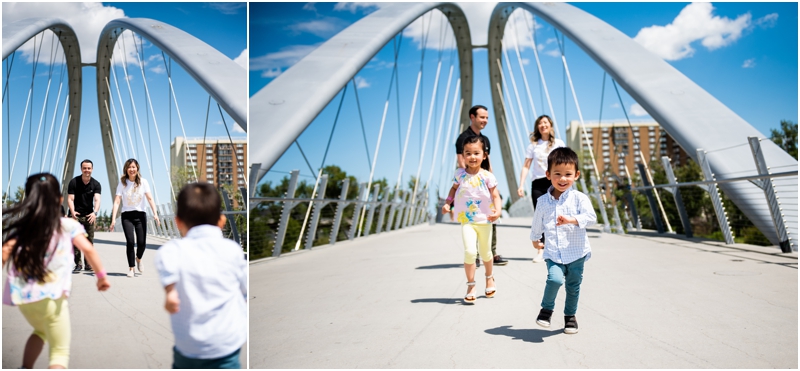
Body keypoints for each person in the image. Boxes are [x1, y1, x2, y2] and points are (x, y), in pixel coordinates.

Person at [2, 173, 111, 369]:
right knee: (59, 352)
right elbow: (88, 249)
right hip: (51, 300)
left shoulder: (23, 229)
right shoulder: (67, 225)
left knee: (40, 331)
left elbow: (5, 252)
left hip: (25, 301)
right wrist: (101, 277)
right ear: (60, 200)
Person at [155, 183, 247, 368]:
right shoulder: (233, 251)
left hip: (189, 347)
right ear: (221, 221)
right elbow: (244, 290)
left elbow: (165, 260)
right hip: (226, 345)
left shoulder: (173, 250)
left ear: (178, 222)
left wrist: (170, 290)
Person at [529, 147, 597, 334]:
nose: (562, 179)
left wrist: (572, 220)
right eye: (557, 174)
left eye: (568, 174)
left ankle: (570, 317)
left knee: (573, 287)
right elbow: (537, 223)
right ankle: (546, 310)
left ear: (576, 175)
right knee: (555, 279)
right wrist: (535, 239)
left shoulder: (579, 198)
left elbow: (591, 217)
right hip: (553, 252)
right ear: (548, 175)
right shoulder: (543, 201)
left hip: (576, 252)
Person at [442, 136, 502, 304]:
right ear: (463, 156)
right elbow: (453, 191)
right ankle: (471, 285)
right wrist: (448, 203)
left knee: (485, 253)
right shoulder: (459, 175)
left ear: (484, 155)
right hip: (466, 220)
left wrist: (498, 211)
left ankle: (489, 277)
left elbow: (496, 196)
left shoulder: (487, 176)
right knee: (470, 252)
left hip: (485, 220)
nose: (472, 157)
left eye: (476, 153)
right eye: (468, 153)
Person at [454, 105, 508, 266]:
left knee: (491, 214)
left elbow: (488, 161)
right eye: (482, 117)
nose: (485, 120)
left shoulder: (486, 140)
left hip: (485, 182)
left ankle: (492, 252)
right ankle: (475, 255)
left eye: (487, 118)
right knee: (472, 218)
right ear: (472, 117)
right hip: (471, 183)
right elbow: (460, 160)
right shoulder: (462, 138)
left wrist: (492, 177)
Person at [517, 115, 565, 263]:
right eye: (540, 123)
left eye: (545, 122)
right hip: (538, 182)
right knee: (541, 215)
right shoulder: (533, 145)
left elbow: (565, 163)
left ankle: (559, 248)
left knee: (558, 214)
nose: (543, 125)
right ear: (537, 127)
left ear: (550, 125)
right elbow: (526, 166)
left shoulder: (558, 143)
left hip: (554, 182)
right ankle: (541, 250)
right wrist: (521, 185)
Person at [109, 158, 160, 278]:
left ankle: (138, 259)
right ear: (126, 169)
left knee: (142, 243)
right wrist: (112, 220)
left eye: (134, 167)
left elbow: (150, 198)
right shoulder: (122, 183)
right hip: (127, 215)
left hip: (140, 215)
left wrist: (155, 213)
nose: (132, 169)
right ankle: (131, 268)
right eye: (129, 167)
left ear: (137, 168)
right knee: (130, 242)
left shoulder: (143, 182)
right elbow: (117, 202)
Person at [67, 159, 102, 271]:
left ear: (92, 169)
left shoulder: (96, 184)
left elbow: (97, 200)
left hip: (89, 216)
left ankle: (88, 264)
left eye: (89, 168)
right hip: (75, 215)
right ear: (81, 169)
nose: (87, 170)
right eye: (84, 168)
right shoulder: (74, 182)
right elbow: (70, 199)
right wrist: (72, 212)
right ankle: (78, 264)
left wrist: (95, 213)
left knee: (89, 241)